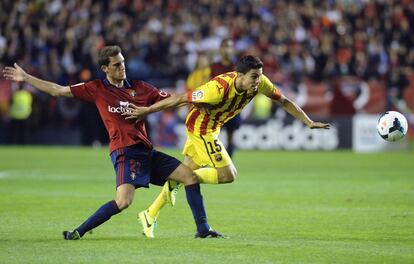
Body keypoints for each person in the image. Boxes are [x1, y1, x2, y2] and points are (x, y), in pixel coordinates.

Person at [2, 45, 224, 239]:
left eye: (123, 63)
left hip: (147, 151)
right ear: (105, 69)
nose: (122, 67)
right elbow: (57, 90)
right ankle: (79, 231)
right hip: (125, 153)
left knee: (189, 176)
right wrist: (27, 78)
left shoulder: (141, 88)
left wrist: (197, 100)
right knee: (123, 201)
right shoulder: (96, 89)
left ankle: (203, 230)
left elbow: (173, 99)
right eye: (116, 65)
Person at [124, 55, 330, 238]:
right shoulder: (217, 89)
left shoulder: (261, 83)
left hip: (214, 127)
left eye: (259, 76)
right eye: (253, 77)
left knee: (186, 172)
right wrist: (147, 110)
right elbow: (179, 98)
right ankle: (182, 186)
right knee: (228, 174)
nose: (258, 82)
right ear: (239, 75)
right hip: (201, 128)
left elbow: (283, 100)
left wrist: (308, 122)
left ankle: (149, 214)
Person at [210, 39, 239, 158]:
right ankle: (213, 161)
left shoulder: (237, 66)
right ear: (220, 49)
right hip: (217, 108)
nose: (227, 49)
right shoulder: (214, 66)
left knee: (231, 136)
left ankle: (229, 162)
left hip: (233, 106)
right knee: (211, 135)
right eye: (225, 46)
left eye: (230, 47)